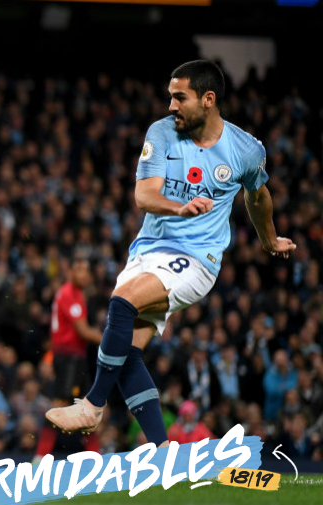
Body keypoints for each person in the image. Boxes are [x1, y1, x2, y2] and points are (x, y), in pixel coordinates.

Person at [46, 61, 295, 446]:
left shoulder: (246, 149)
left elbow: (258, 196)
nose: (171, 106)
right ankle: (165, 451)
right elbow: (143, 194)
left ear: (208, 100)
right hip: (147, 251)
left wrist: (269, 240)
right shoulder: (161, 133)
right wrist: (176, 207)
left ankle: (92, 407)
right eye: (170, 97)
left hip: (197, 260)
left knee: (122, 303)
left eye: (180, 97)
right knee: (126, 351)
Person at [50, 258, 103, 401]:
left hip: (75, 355)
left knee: (82, 400)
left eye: (86, 270)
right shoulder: (69, 294)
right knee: (63, 400)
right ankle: (51, 425)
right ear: (70, 272)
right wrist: (110, 341)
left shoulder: (76, 293)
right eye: (79, 270)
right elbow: (83, 331)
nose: (84, 274)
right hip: (68, 355)